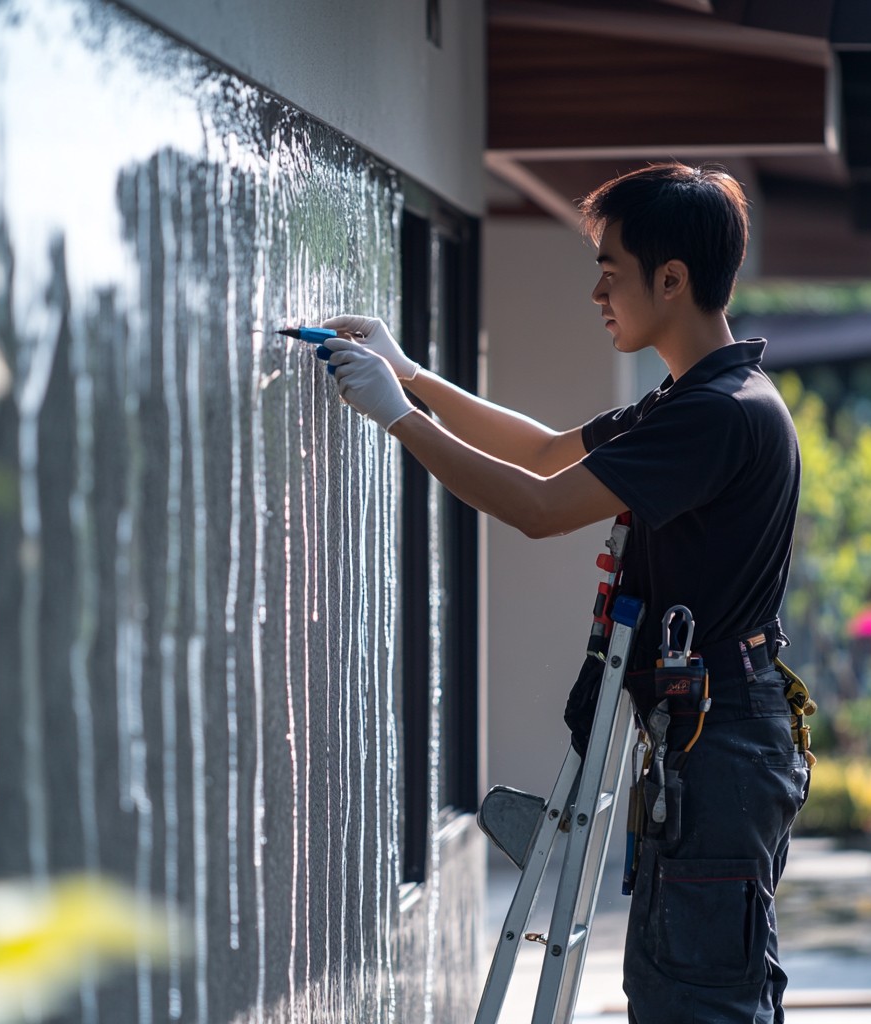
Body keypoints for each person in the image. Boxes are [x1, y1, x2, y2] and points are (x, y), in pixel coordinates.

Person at [318, 162, 809, 1024]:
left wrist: (397, 418)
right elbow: (546, 451)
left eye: (610, 270)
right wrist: (414, 379)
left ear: (672, 279)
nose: (596, 292)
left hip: (723, 744)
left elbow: (540, 508)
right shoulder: (696, 398)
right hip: (719, 737)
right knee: (691, 985)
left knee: (695, 1001)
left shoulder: (719, 413)